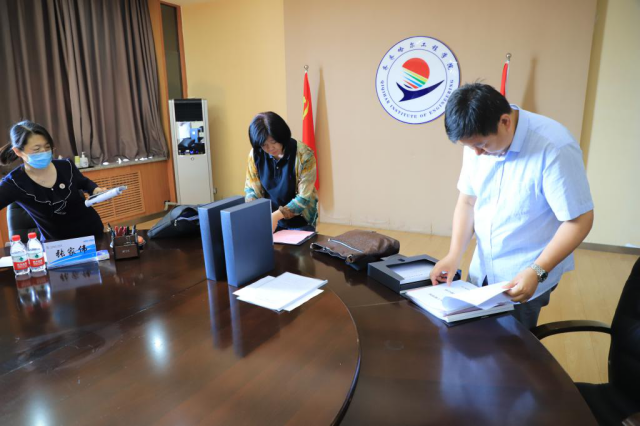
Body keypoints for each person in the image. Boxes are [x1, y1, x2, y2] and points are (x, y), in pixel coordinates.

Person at [429, 83, 594, 329]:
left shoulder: (554, 147)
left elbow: (579, 220)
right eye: (469, 147)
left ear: (505, 122)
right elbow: (468, 201)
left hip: (524, 273)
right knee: (471, 339)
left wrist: (537, 270)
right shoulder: (477, 139)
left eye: (482, 145)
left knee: (511, 345)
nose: (476, 153)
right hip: (483, 267)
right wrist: (454, 254)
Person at [0, 120, 106, 241]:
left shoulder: (66, 166)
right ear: (18, 151)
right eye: (36, 149)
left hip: (91, 233)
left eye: (47, 147)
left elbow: (85, 183)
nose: (44, 152)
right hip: (56, 244)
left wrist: (96, 190)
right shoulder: (13, 182)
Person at [244, 112, 318, 232]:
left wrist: (276, 216)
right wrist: (255, 212)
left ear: (282, 135)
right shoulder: (255, 155)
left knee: (301, 244)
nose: (270, 148)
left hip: (299, 219)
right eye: (264, 144)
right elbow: (251, 190)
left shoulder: (304, 155)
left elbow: (304, 197)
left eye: (273, 142)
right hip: (268, 217)